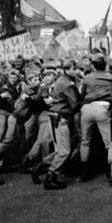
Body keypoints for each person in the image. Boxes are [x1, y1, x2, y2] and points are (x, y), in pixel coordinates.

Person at [79, 53, 112, 185]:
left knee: (85, 141)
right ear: (106, 64)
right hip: (103, 108)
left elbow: (82, 94)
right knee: (111, 143)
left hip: (86, 109)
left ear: (93, 65)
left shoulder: (86, 78)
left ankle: (85, 171)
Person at [43, 59, 82, 190]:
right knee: (64, 151)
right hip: (62, 117)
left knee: (61, 149)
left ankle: (39, 168)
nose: (77, 71)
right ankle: (50, 177)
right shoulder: (68, 84)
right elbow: (75, 103)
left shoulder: (61, 79)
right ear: (68, 69)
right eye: (75, 68)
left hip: (56, 116)